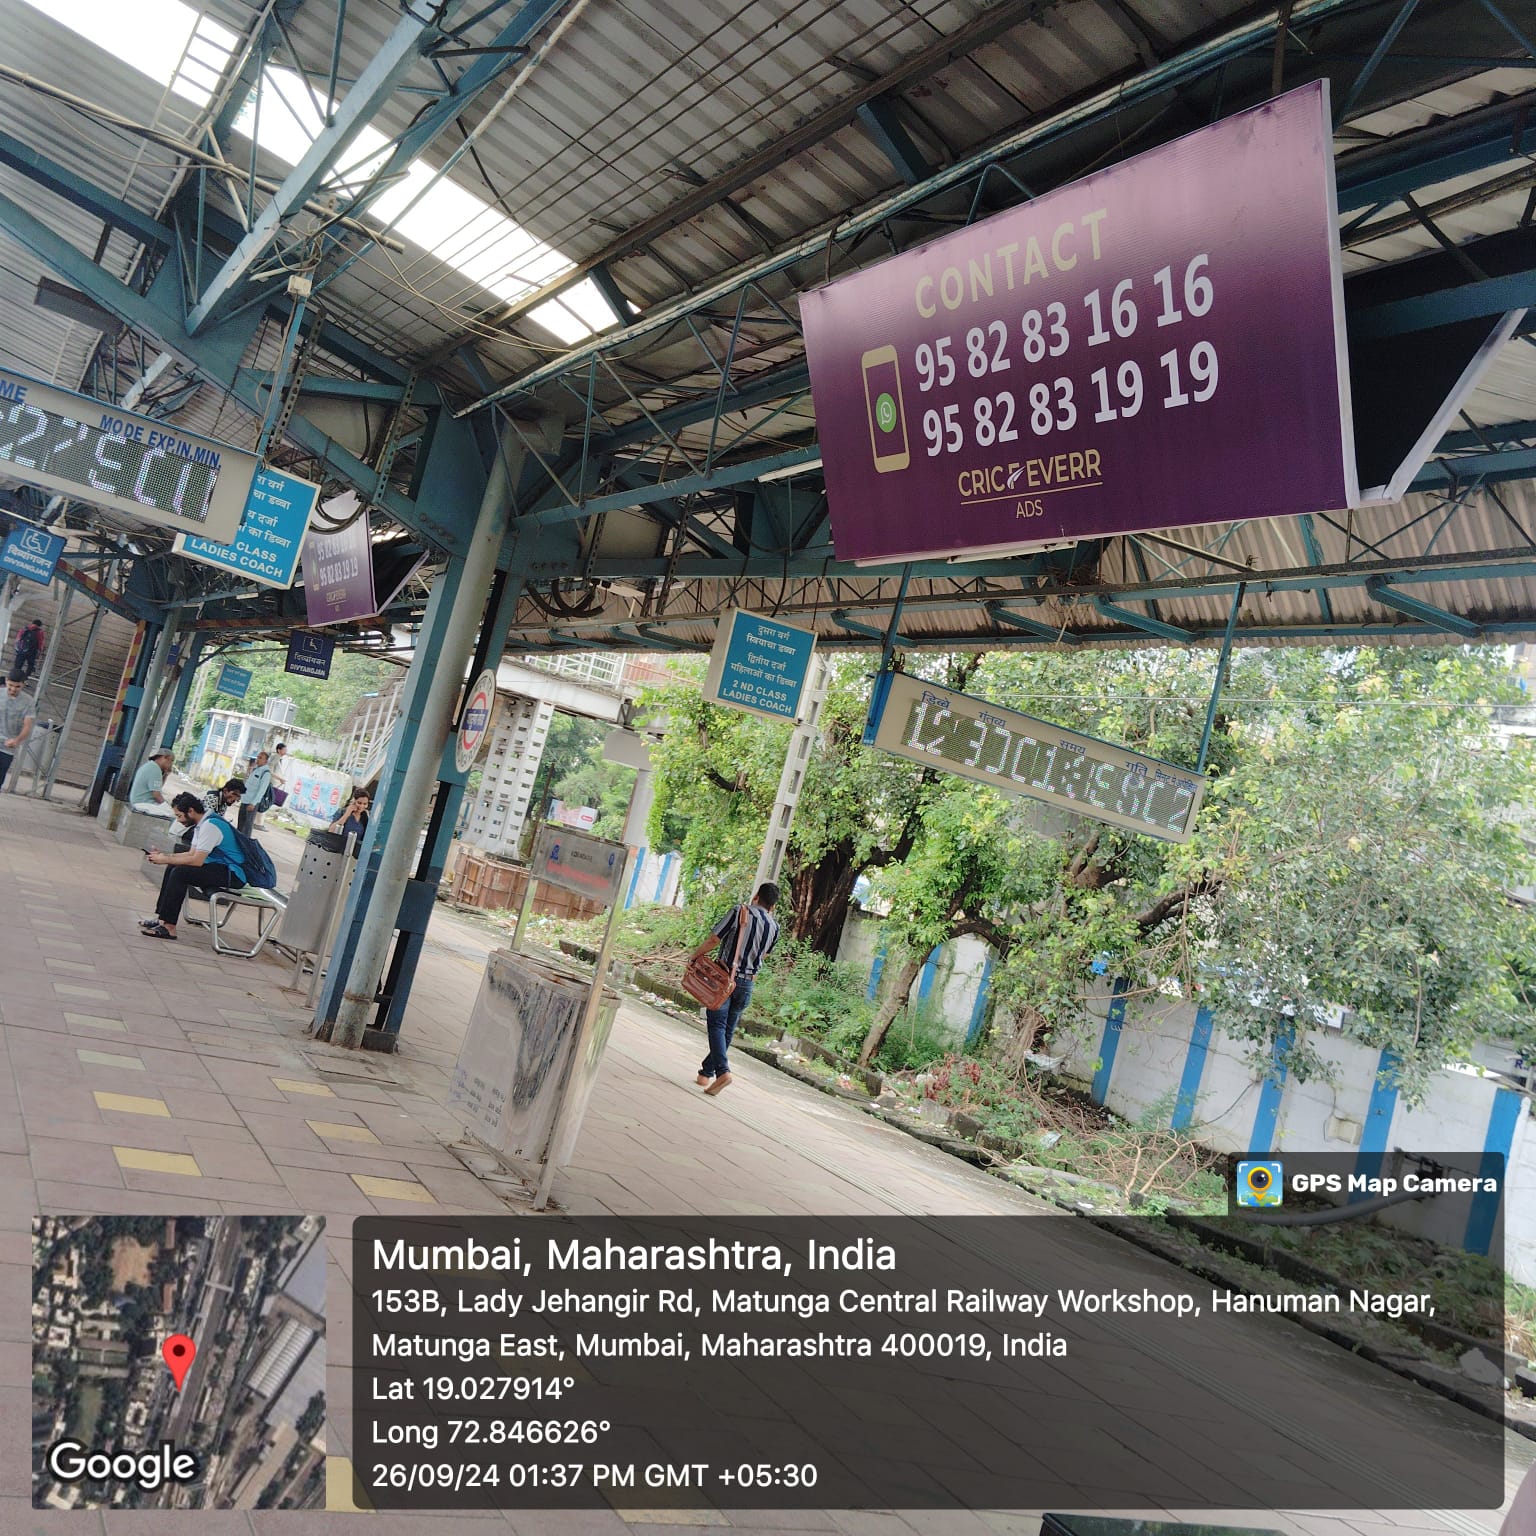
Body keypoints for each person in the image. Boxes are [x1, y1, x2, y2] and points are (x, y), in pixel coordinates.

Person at [689, 881, 780, 1096]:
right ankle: (705, 1073)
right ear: (773, 907)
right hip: (747, 983)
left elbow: (714, 938)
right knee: (727, 1029)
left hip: (724, 979)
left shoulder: (740, 911)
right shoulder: (775, 927)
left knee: (717, 1025)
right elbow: (764, 954)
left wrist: (695, 956)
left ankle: (723, 1072)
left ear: (756, 896)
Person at [140, 792, 246, 941]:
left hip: (233, 875)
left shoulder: (211, 826)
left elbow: (196, 861)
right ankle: (162, 920)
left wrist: (165, 859)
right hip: (219, 868)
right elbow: (191, 854)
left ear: (190, 811)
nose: (179, 820)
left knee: (180, 873)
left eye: (179, 816)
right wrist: (164, 856)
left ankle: (169, 928)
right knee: (173, 866)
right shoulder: (202, 823)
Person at [0, 672, 36, 791]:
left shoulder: (28, 702)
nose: (13, 689)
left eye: (17, 687)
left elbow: (27, 725)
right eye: (10, 685)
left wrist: (17, 740)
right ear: (6, 681)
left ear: (23, 685)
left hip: (7, 747)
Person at [127, 750, 175, 816]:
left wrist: (166, 774)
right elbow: (156, 795)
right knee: (173, 815)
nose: (171, 764)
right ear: (165, 757)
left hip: (139, 801)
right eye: (171, 761)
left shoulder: (150, 765)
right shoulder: (155, 769)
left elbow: (158, 788)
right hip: (143, 803)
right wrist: (166, 806)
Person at [239, 750, 272, 835]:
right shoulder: (255, 769)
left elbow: (262, 790)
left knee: (247, 826)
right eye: (258, 757)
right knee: (240, 825)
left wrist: (253, 803)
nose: (258, 759)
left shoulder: (266, 773)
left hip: (252, 802)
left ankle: (245, 845)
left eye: (260, 758)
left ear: (265, 761)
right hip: (245, 799)